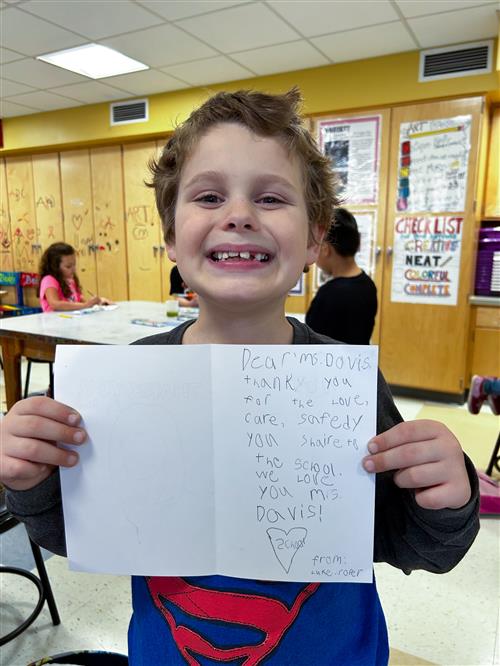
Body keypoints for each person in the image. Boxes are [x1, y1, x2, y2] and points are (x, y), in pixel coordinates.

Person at [1, 88, 479, 665]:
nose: (239, 214)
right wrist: (30, 482)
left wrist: (448, 499)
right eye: (208, 195)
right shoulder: (124, 383)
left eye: (271, 197)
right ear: (173, 238)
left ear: (313, 239)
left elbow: (414, 542)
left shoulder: (343, 386)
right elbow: (80, 533)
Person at [306, 207, 377, 344]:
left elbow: (312, 344)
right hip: (359, 362)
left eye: (315, 246)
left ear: (325, 249)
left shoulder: (329, 294)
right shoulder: (368, 284)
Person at [38, 242, 111, 312]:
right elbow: (55, 304)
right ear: (54, 267)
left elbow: (78, 301)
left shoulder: (70, 280)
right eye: (68, 266)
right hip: (55, 322)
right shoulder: (49, 280)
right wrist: (85, 305)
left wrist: (96, 303)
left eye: (74, 265)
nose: (74, 269)